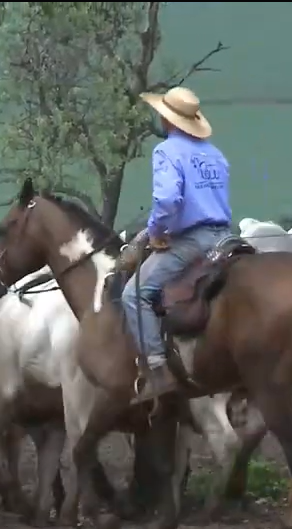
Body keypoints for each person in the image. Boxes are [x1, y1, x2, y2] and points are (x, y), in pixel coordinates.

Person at [121, 86, 233, 402]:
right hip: (225, 236)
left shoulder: (168, 151)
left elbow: (169, 200)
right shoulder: (215, 154)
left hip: (192, 240)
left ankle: (157, 371)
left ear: (169, 120)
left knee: (134, 294)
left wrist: (155, 231)